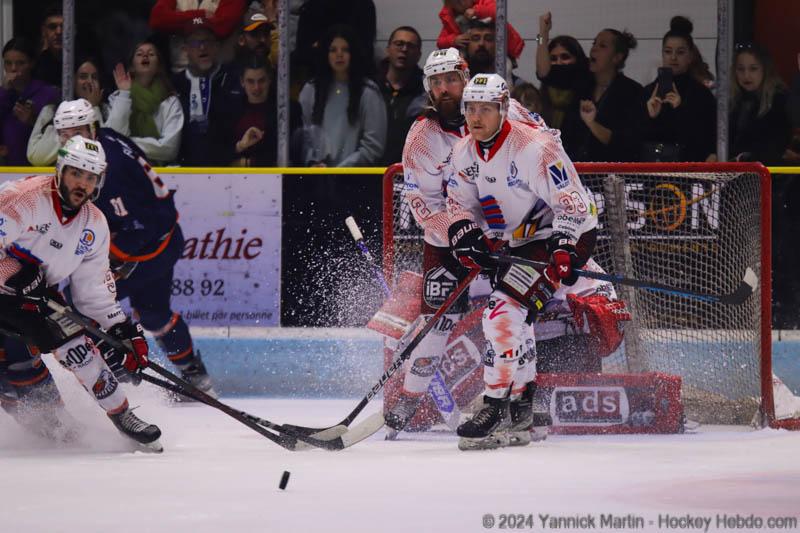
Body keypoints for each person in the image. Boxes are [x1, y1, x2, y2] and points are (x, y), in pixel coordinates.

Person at [383, 48, 543, 435]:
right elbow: (422, 201)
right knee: (436, 321)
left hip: (509, 234)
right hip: (449, 242)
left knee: (515, 311)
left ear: (466, 78)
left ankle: (524, 400)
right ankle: (409, 396)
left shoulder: (506, 109)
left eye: (451, 79)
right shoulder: (422, 137)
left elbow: (545, 153)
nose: (444, 88)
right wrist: (459, 234)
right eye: (435, 82)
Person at [445, 73, 598, 450]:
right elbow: (459, 204)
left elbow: (572, 201)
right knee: (517, 316)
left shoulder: (533, 148)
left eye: (486, 109)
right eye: (470, 109)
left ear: (503, 110)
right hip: (522, 240)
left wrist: (563, 247)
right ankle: (523, 405)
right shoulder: (465, 152)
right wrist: (466, 234)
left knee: (501, 313)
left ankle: (496, 405)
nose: (476, 117)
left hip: (567, 233)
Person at [0, 135, 162, 451]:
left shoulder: (94, 224)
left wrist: (122, 329)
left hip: (34, 297)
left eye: (90, 177)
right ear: (60, 170)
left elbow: (93, 291)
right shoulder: (24, 199)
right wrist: (16, 273)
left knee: (77, 343)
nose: (82, 183)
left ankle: (123, 414)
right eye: (76, 173)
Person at [51, 99, 217, 397]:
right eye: (65, 134)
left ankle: (115, 378)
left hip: (149, 246)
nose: (71, 139)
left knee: (75, 303)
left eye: (78, 131)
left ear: (92, 128)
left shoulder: (108, 170)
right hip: (159, 239)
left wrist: (113, 265)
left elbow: (137, 227)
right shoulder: (104, 143)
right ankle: (194, 374)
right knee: (153, 315)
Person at [297, 24, 386, 167]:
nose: (339, 55)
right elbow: (303, 134)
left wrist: (342, 169)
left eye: (345, 50)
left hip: (352, 178)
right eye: (333, 50)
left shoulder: (368, 92)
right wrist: (312, 161)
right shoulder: (310, 90)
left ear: (353, 54)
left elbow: (373, 145)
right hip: (316, 175)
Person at [641, 16, 717, 162]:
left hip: (689, 172)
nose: (673, 57)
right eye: (668, 52)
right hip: (653, 172)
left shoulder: (701, 94)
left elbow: (705, 139)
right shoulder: (648, 92)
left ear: (690, 56)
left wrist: (681, 110)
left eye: (680, 52)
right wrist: (650, 117)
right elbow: (636, 138)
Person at [27, 56, 126, 166]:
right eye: (83, 77)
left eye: (94, 77)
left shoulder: (107, 111)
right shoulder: (50, 111)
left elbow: (109, 151)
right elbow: (35, 158)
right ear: (72, 81)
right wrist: (68, 123)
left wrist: (92, 109)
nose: (89, 82)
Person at [172, 18, 243, 166]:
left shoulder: (234, 79)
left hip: (229, 171)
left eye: (207, 41)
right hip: (184, 173)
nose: (202, 47)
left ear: (217, 46)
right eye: (195, 43)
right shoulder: (174, 85)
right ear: (185, 50)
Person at [107, 40, 184, 165]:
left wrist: (127, 143)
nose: (145, 56)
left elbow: (169, 149)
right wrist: (125, 94)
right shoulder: (118, 98)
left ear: (158, 65)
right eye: (139, 54)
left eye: (151, 54)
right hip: (124, 168)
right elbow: (112, 137)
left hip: (161, 173)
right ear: (132, 66)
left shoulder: (170, 102)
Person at [729, 43, 791, 165]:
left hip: (769, 174)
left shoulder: (778, 100)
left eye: (753, 69)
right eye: (740, 69)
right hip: (737, 173)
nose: (746, 75)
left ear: (765, 69)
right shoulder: (733, 100)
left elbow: (774, 147)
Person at [0, 37, 59, 165]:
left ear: (31, 63)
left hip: (37, 168)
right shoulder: (2, 94)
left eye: (20, 63)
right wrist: (3, 92)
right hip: (5, 168)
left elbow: (56, 136)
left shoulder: (47, 93)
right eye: (8, 63)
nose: (13, 68)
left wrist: (33, 121)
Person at [374, 26, 426, 165]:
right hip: (369, 169)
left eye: (410, 46)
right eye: (399, 44)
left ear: (419, 54)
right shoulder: (370, 85)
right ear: (388, 49)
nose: (404, 49)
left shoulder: (426, 91)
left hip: (409, 169)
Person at [534, 12, 590, 134]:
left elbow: (544, 73)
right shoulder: (544, 92)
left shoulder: (586, 80)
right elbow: (543, 72)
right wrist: (542, 34)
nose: (559, 63)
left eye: (565, 57)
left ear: (577, 58)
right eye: (553, 59)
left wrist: (543, 33)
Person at [436, 0, 524, 67]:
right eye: (456, 1)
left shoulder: (483, 2)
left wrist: (477, 11)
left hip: (499, 50)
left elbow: (497, 11)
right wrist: (453, 40)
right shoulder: (451, 17)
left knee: (506, 66)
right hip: (470, 57)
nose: (461, 2)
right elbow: (440, 41)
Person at [32, 4, 64, 89]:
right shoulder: (36, 65)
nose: (59, 32)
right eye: (52, 27)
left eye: (64, 27)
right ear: (43, 31)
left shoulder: (81, 63)